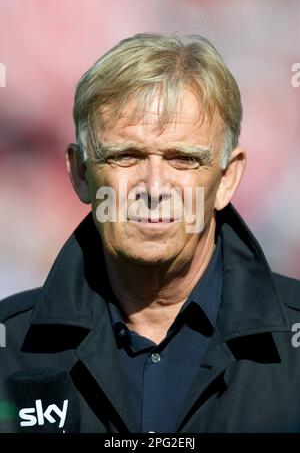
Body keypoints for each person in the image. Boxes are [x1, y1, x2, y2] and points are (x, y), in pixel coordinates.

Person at [1, 32, 300, 434]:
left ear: (227, 178)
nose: (154, 187)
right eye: (126, 155)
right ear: (79, 172)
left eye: (183, 159)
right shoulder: (10, 350)